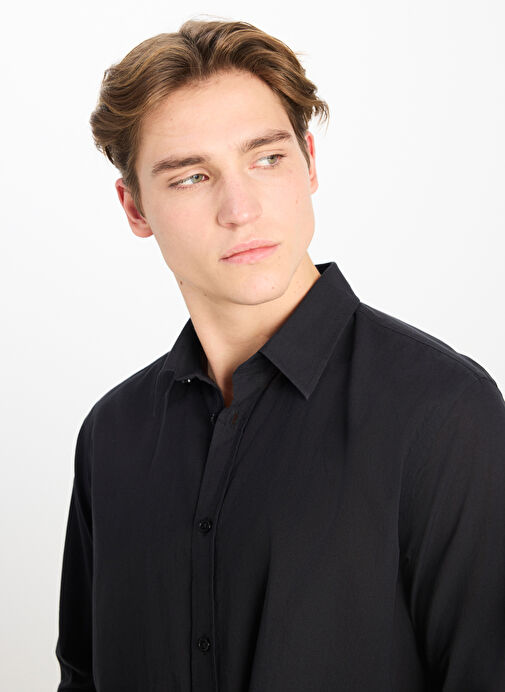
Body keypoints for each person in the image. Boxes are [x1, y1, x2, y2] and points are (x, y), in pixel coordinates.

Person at [55, 18, 505, 692]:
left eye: (266, 159)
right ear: (134, 207)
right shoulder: (111, 434)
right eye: (190, 177)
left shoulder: (442, 413)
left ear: (309, 163)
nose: (240, 209)